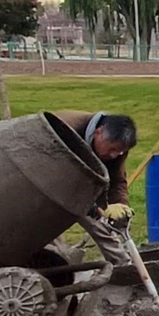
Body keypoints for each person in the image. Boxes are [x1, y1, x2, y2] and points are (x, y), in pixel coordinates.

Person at [55, 110, 139, 266]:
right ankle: (57, 268)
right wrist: (96, 209)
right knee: (49, 233)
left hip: (81, 185)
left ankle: (124, 269)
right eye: (112, 149)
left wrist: (121, 206)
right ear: (98, 133)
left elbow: (117, 180)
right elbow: (59, 181)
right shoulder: (64, 132)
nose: (115, 155)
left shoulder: (118, 148)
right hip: (44, 183)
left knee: (104, 226)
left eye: (120, 151)